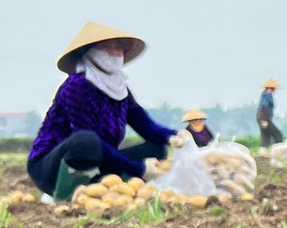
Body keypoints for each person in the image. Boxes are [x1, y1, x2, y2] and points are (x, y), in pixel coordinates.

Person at [28, 22, 208, 201]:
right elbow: (90, 141)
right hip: (51, 166)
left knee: (155, 148)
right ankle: (64, 195)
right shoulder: (77, 85)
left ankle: (102, 188)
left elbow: (146, 127)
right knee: (86, 141)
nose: (115, 53)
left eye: (119, 48)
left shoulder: (120, 89)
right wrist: (139, 169)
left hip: (98, 160)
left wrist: (175, 136)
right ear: (89, 52)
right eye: (108, 48)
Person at [257, 78, 284, 150]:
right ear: (271, 88)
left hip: (262, 116)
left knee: (266, 135)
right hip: (264, 117)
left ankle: (263, 150)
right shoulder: (267, 94)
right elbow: (264, 106)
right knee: (278, 135)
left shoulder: (264, 94)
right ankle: (280, 150)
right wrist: (264, 119)